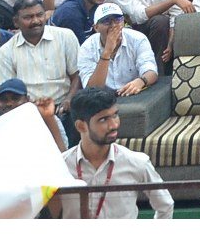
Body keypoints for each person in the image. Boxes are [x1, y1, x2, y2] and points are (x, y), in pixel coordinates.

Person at [54, 86, 174, 219]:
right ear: (81, 126)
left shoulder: (137, 162)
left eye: (115, 115)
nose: (114, 125)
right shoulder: (60, 166)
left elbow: (165, 206)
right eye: (103, 119)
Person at [0, 0, 81, 116]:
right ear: (16, 22)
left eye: (39, 15)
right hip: (26, 111)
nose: (36, 21)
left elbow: (77, 75)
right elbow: (8, 93)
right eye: (28, 17)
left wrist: (69, 99)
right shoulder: (6, 51)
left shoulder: (65, 36)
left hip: (62, 107)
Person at [77, 3, 157, 95]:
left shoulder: (137, 39)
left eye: (117, 20)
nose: (113, 25)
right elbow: (92, 89)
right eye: (107, 21)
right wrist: (107, 52)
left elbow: (151, 71)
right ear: (96, 28)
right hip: (102, 98)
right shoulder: (87, 48)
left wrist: (141, 81)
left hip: (135, 93)